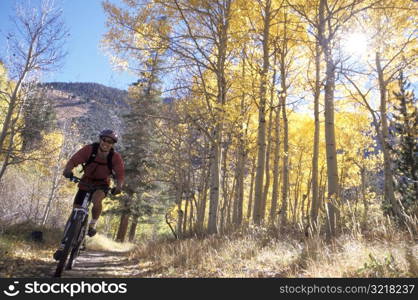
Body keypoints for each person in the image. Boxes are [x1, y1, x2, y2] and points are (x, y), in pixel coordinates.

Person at [53, 129, 125, 260]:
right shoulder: (89, 149)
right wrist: (68, 170)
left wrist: (118, 187)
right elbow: (74, 160)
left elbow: (120, 174)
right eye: (104, 140)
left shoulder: (115, 157)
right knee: (75, 212)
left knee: (97, 200)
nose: (106, 143)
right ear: (100, 139)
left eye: (110, 142)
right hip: (85, 182)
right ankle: (63, 246)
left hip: (102, 184)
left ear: (113, 144)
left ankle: (92, 225)